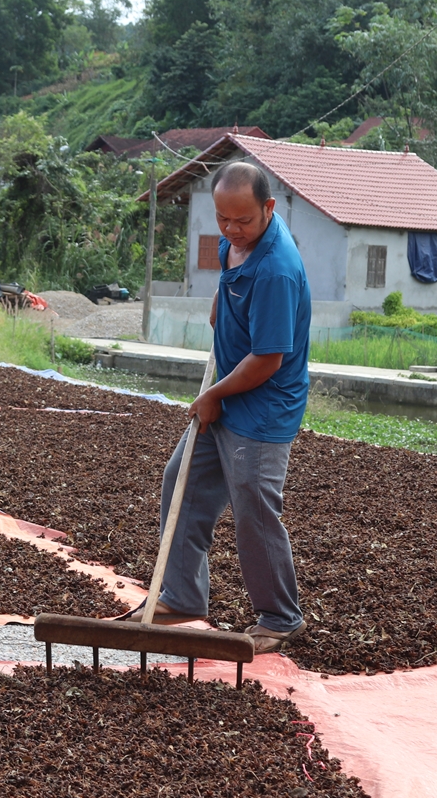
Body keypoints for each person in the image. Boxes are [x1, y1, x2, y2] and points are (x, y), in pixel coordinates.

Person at [124, 161, 311, 652]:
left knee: (252, 504)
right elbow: (233, 274)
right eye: (222, 220)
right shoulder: (239, 238)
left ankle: (280, 617)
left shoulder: (277, 270)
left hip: (262, 406)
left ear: (268, 209)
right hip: (228, 391)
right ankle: (182, 595)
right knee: (180, 482)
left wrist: (212, 396)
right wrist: (220, 301)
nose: (230, 230)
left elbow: (269, 359)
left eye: (242, 221)